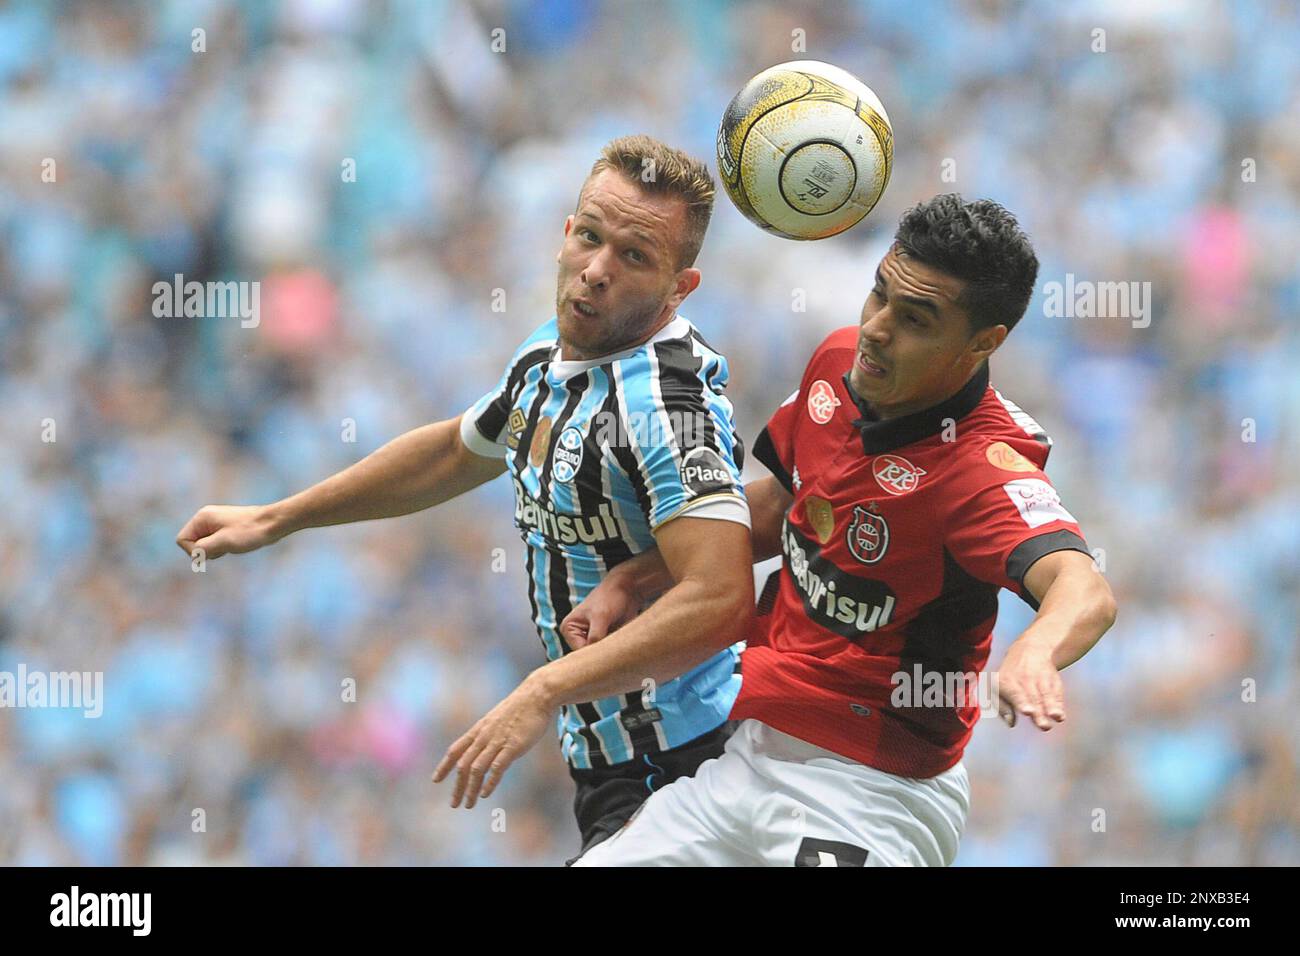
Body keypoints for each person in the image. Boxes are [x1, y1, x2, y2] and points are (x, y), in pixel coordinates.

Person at [445, 194, 1118, 866]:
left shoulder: (981, 469)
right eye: (879, 295)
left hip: (872, 795)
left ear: (984, 343)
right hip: (749, 757)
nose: (879, 329)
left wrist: (1036, 650)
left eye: (915, 319)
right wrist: (639, 573)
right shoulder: (839, 365)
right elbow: (789, 507)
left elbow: (1082, 587)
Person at [176, 135, 755, 858]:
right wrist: (277, 517)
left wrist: (545, 690)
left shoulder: (669, 407)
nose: (597, 270)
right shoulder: (552, 353)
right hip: (612, 764)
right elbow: (456, 450)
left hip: (693, 759)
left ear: (680, 286)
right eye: (589, 236)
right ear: (565, 232)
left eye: (634, 257)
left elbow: (721, 596)